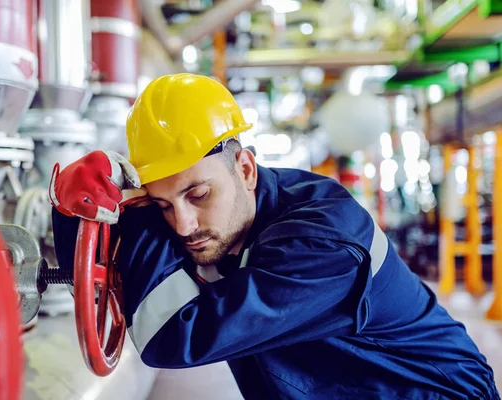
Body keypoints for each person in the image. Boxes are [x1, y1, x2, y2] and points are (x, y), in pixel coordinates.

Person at [49, 73, 499, 399]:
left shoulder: (320, 243)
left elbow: (170, 336)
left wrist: (142, 212)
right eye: (163, 205)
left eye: (198, 193)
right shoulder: (220, 221)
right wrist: (75, 206)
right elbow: (100, 281)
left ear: (244, 169)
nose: (183, 224)